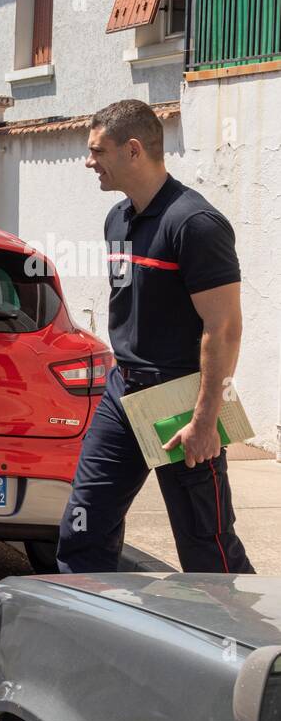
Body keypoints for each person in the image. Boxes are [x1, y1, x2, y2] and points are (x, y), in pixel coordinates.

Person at [56, 99, 253, 574]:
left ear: (134, 150)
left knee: (207, 548)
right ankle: (87, 640)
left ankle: (258, 644)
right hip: (123, 392)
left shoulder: (195, 224)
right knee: (82, 530)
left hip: (179, 399)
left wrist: (205, 420)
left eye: (97, 151)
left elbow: (223, 328)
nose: (89, 162)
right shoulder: (117, 220)